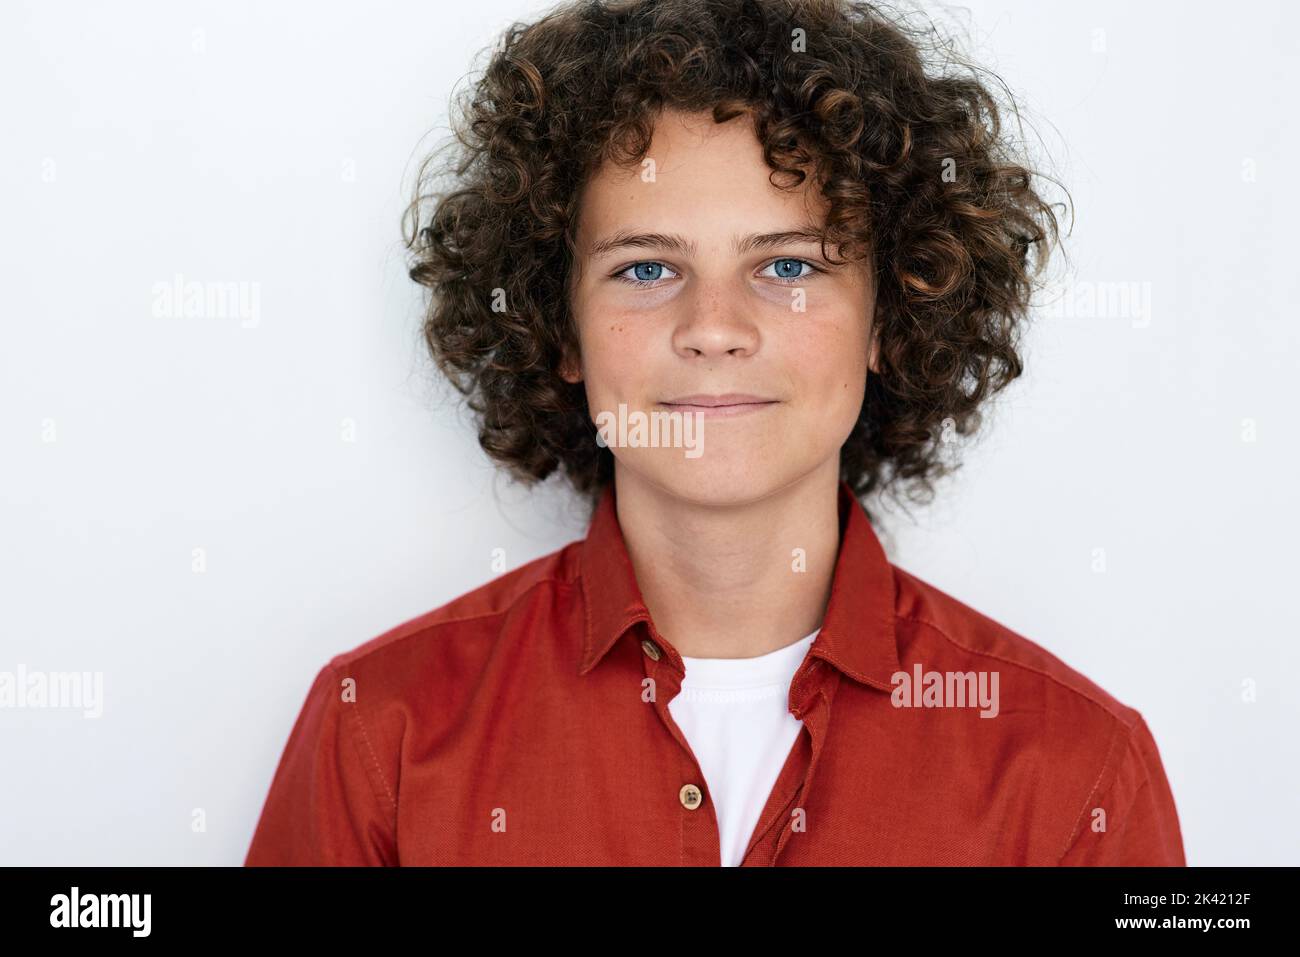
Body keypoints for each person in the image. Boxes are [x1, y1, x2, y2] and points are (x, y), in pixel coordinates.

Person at [245, 0, 1184, 866]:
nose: (715, 327)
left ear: (890, 318)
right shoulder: (381, 734)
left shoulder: (1078, 769)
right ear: (559, 325)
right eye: (647, 269)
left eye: (787, 263)